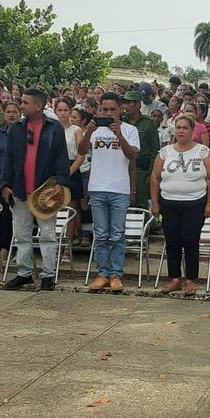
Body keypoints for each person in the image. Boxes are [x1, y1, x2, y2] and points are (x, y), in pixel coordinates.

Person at [0, 89, 72, 292]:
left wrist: (60, 182)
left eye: (25, 102)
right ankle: (24, 274)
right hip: (20, 190)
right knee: (22, 234)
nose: (21, 106)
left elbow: (61, 157)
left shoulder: (54, 127)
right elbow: (8, 158)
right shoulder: (16, 128)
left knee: (48, 234)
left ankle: (48, 275)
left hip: (45, 191)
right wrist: (5, 184)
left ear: (38, 106)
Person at [149, 114, 210, 297]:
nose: (181, 131)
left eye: (185, 128)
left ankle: (190, 280)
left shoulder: (203, 152)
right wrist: (155, 203)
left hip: (195, 203)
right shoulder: (165, 152)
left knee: (190, 241)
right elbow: (155, 179)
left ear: (192, 130)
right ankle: (174, 279)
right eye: (178, 127)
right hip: (168, 203)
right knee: (172, 241)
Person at [79, 92, 139, 293]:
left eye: (112, 109)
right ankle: (102, 273)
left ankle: (116, 275)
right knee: (101, 234)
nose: (108, 113)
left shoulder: (130, 130)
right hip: (97, 188)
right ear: (98, 110)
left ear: (120, 109)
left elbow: (132, 155)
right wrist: (88, 131)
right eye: (104, 109)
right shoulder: (94, 130)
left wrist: (118, 134)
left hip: (119, 189)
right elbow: (81, 151)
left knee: (117, 235)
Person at [0, 101, 21, 261]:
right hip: (1, 179)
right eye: (9, 112)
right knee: (5, 215)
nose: (12, 115)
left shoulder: (25, 133)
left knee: (21, 216)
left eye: (15, 112)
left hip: (19, 180)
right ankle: (4, 248)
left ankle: (20, 249)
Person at [120, 91, 160, 209]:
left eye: (129, 103)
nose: (125, 106)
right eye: (124, 103)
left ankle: (145, 227)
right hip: (122, 168)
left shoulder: (148, 123)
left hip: (141, 171)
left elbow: (155, 150)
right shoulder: (120, 123)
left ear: (137, 104)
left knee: (140, 206)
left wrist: (150, 173)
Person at [65, 103, 88, 246]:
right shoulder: (54, 128)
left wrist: (68, 172)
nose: (63, 113)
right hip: (57, 167)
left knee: (74, 207)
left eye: (66, 110)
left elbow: (81, 154)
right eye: (59, 110)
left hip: (73, 168)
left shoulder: (77, 130)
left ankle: (73, 238)